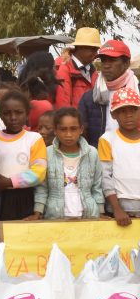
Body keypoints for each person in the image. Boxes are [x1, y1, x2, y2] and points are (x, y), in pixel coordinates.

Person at [30, 108, 103, 219]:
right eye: (63, 129)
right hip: (55, 216)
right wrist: (37, 212)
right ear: (55, 130)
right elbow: (42, 188)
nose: (68, 134)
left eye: (73, 129)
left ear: (81, 129)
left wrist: (101, 212)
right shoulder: (47, 153)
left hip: (88, 216)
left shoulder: (92, 153)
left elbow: (97, 186)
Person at [0, 89, 47, 221]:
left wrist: (9, 182)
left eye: (19, 112)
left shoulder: (34, 139)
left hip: (25, 197)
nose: (13, 118)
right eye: (7, 113)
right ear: (0, 115)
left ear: (27, 114)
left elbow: (39, 172)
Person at [80, 40, 138, 145]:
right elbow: (82, 134)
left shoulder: (137, 92)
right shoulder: (89, 98)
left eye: (112, 60)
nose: (106, 66)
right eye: (103, 60)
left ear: (126, 63)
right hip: (100, 156)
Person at [99, 87, 140, 226]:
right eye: (122, 111)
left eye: (133, 110)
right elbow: (105, 176)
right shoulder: (107, 139)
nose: (128, 115)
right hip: (120, 207)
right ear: (113, 114)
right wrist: (117, 208)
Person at [54, 27, 102, 108]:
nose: (95, 54)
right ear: (80, 47)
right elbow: (63, 107)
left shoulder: (93, 72)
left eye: (96, 50)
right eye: (93, 49)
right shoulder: (65, 70)